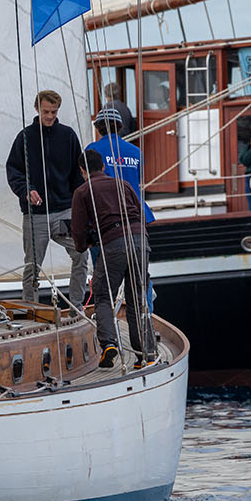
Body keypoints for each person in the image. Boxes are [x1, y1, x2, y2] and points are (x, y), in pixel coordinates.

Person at [70, 149, 155, 368]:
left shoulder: (82, 191)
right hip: (140, 240)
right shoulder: (123, 185)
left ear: (82, 171)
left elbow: (78, 231)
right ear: (103, 167)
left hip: (114, 243)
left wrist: (82, 245)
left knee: (103, 294)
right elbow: (139, 211)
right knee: (137, 298)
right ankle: (144, 355)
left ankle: (109, 344)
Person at [5, 89, 88, 305]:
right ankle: (31, 309)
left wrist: (79, 206)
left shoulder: (68, 135)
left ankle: (76, 306)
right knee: (32, 266)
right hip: (36, 215)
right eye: (45, 112)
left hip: (64, 211)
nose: (50, 116)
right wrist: (26, 191)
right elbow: (13, 171)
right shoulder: (25, 137)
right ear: (37, 109)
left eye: (53, 111)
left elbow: (78, 174)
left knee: (81, 255)